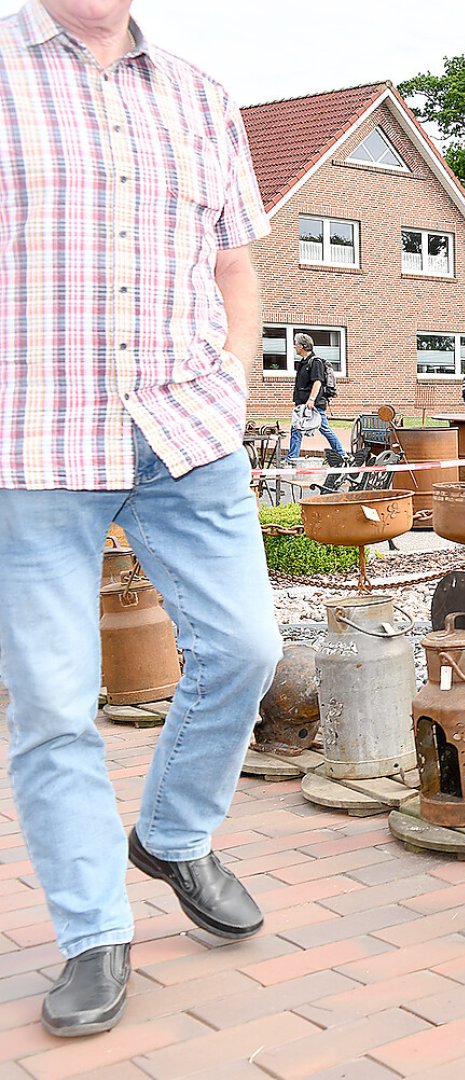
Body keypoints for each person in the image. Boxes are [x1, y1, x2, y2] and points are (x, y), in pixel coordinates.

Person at [0, 0, 284, 1038]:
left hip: (184, 430)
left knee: (248, 645)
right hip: (30, 442)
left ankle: (171, 833)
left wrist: (237, 383)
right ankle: (92, 934)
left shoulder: (203, 98)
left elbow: (234, 265)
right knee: (56, 704)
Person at [280, 333, 344, 465]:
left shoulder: (315, 362)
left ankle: (342, 454)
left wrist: (311, 400)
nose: (294, 346)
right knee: (296, 429)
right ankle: (292, 458)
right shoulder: (303, 363)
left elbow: (317, 382)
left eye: (296, 344)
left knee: (324, 428)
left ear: (302, 346)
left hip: (313, 404)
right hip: (302, 403)